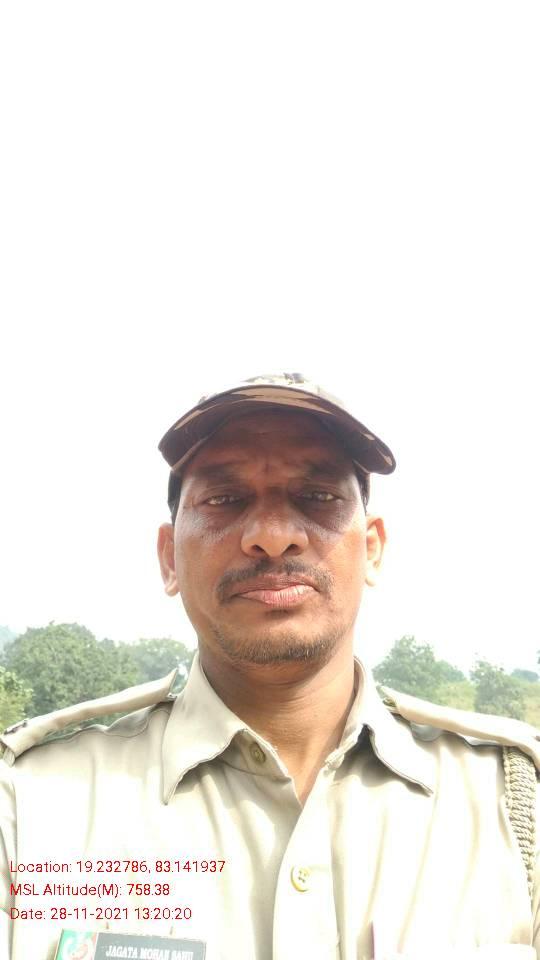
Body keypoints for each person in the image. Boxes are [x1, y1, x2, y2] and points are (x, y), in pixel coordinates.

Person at [1, 372, 540, 960]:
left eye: (319, 497)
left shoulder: (515, 805)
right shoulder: (28, 808)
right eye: (224, 500)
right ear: (168, 558)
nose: (273, 537)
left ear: (372, 548)